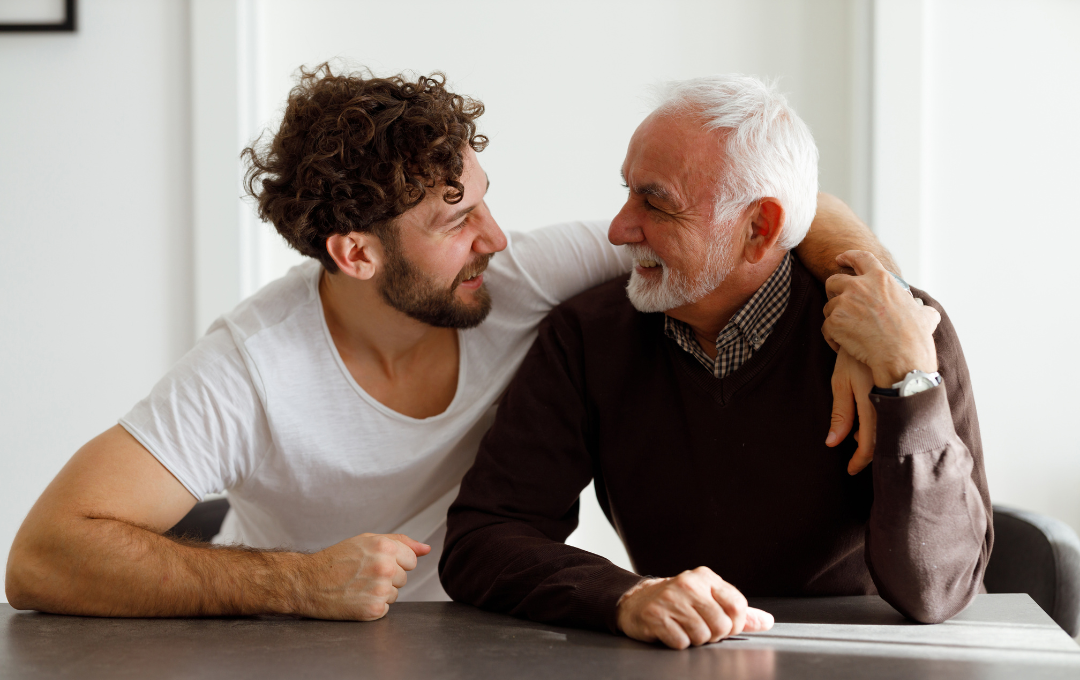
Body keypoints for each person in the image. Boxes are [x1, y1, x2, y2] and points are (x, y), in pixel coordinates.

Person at [6, 66, 898, 621]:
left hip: (502, 632)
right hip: (308, 652)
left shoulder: (519, 279)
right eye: (455, 217)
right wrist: (294, 585)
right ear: (356, 254)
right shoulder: (250, 368)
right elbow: (43, 553)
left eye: (484, 197)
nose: (497, 237)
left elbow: (777, 212)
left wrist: (871, 310)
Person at [439, 74, 991, 649]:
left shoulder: (902, 333)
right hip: (676, 658)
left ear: (760, 228)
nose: (619, 229)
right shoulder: (587, 336)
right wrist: (624, 596)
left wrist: (908, 383)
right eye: (627, 192)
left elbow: (938, 591)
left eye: (655, 202)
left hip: (856, 659)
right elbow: (485, 536)